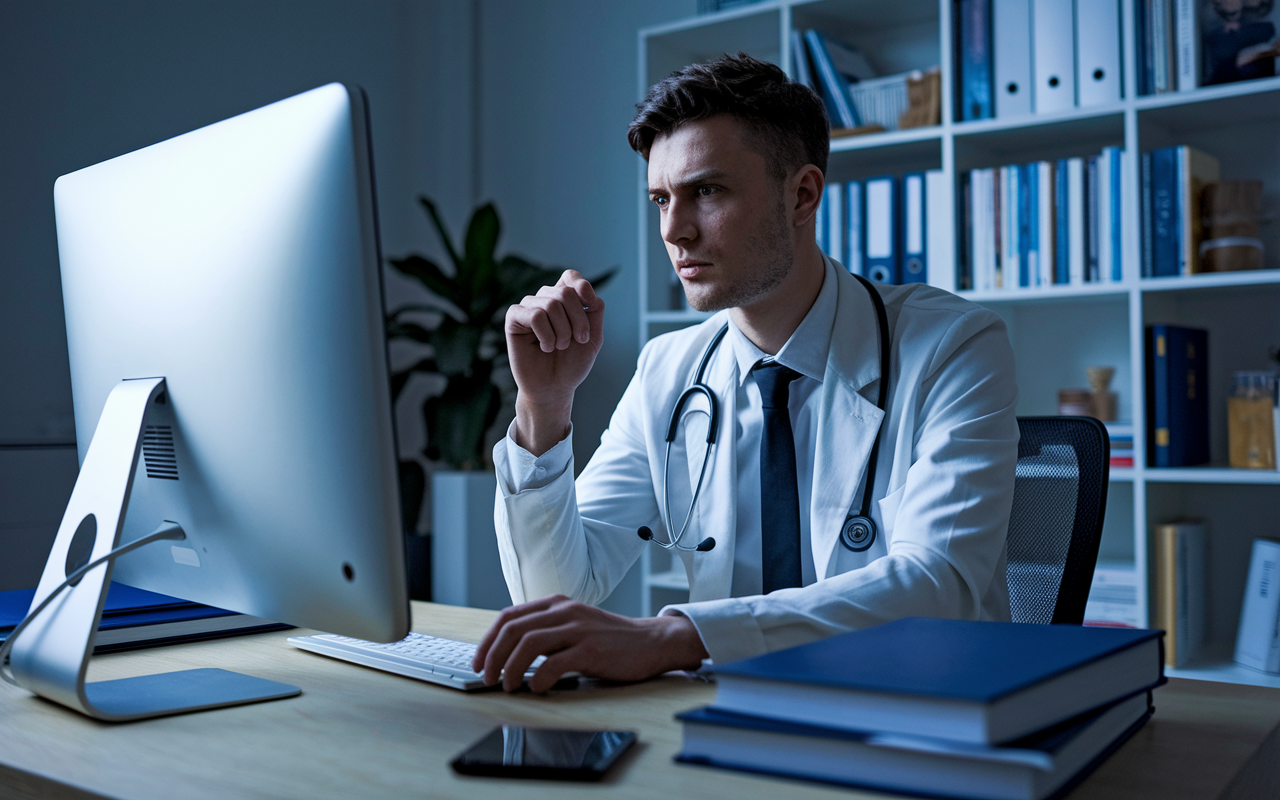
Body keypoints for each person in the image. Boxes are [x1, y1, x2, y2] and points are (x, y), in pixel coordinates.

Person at [470, 53, 1018, 692]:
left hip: (913, 709)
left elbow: (937, 585)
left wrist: (679, 637)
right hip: (728, 713)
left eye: (707, 191)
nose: (675, 231)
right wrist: (544, 407)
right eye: (660, 199)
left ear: (802, 195)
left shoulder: (952, 344)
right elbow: (557, 599)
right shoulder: (668, 369)